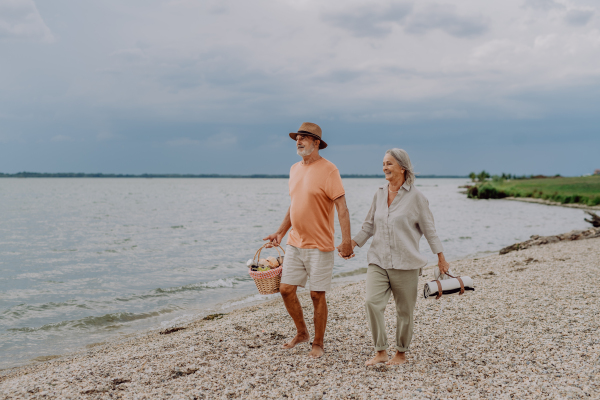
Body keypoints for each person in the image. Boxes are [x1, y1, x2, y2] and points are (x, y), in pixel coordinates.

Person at [346, 148, 450, 366]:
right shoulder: (379, 193)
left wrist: (441, 257)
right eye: (383, 163)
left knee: (405, 311)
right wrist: (353, 243)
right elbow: (369, 225)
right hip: (378, 260)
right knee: (371, 302)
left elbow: (430, 230)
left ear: (403, 168)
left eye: (389, 163)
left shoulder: (417, 198)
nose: (384, 167)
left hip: (406, 263)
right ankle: (380, 351)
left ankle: (401, 353)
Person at [263, 122, 354, 358]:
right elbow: (295, 206)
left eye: (304, 138)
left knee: (317, 294)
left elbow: (342, 208)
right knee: (285, 289)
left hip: (320, 244)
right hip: (295, 242)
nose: (299, 141)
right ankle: (302, 332)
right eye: (297, 137)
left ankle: (318, 341)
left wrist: (346, 241)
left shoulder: (329, 170)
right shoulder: (294, 168)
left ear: (316, 143)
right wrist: (280, 232)